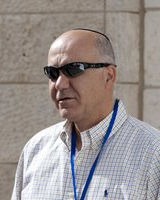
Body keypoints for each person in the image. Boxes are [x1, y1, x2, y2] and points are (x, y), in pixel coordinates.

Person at [11, 28, 160, 200]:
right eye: (52, 73)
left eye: (73, 69)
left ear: (109, 76)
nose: (59, 84)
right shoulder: (36, 149)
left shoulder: (153, 153)